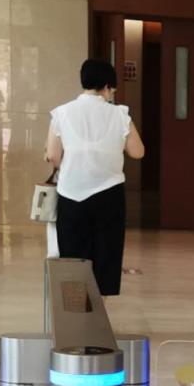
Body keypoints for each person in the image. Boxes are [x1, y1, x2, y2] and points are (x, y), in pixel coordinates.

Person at [45, 58, 144, 297]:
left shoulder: (62, 113)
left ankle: (76, 309)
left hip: (71, 193)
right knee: (106, 257)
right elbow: (138, 151)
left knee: (72, 256)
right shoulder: (120, 114)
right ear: (108, 87)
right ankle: (99, 310)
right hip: (109, 195)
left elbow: (52, 155)